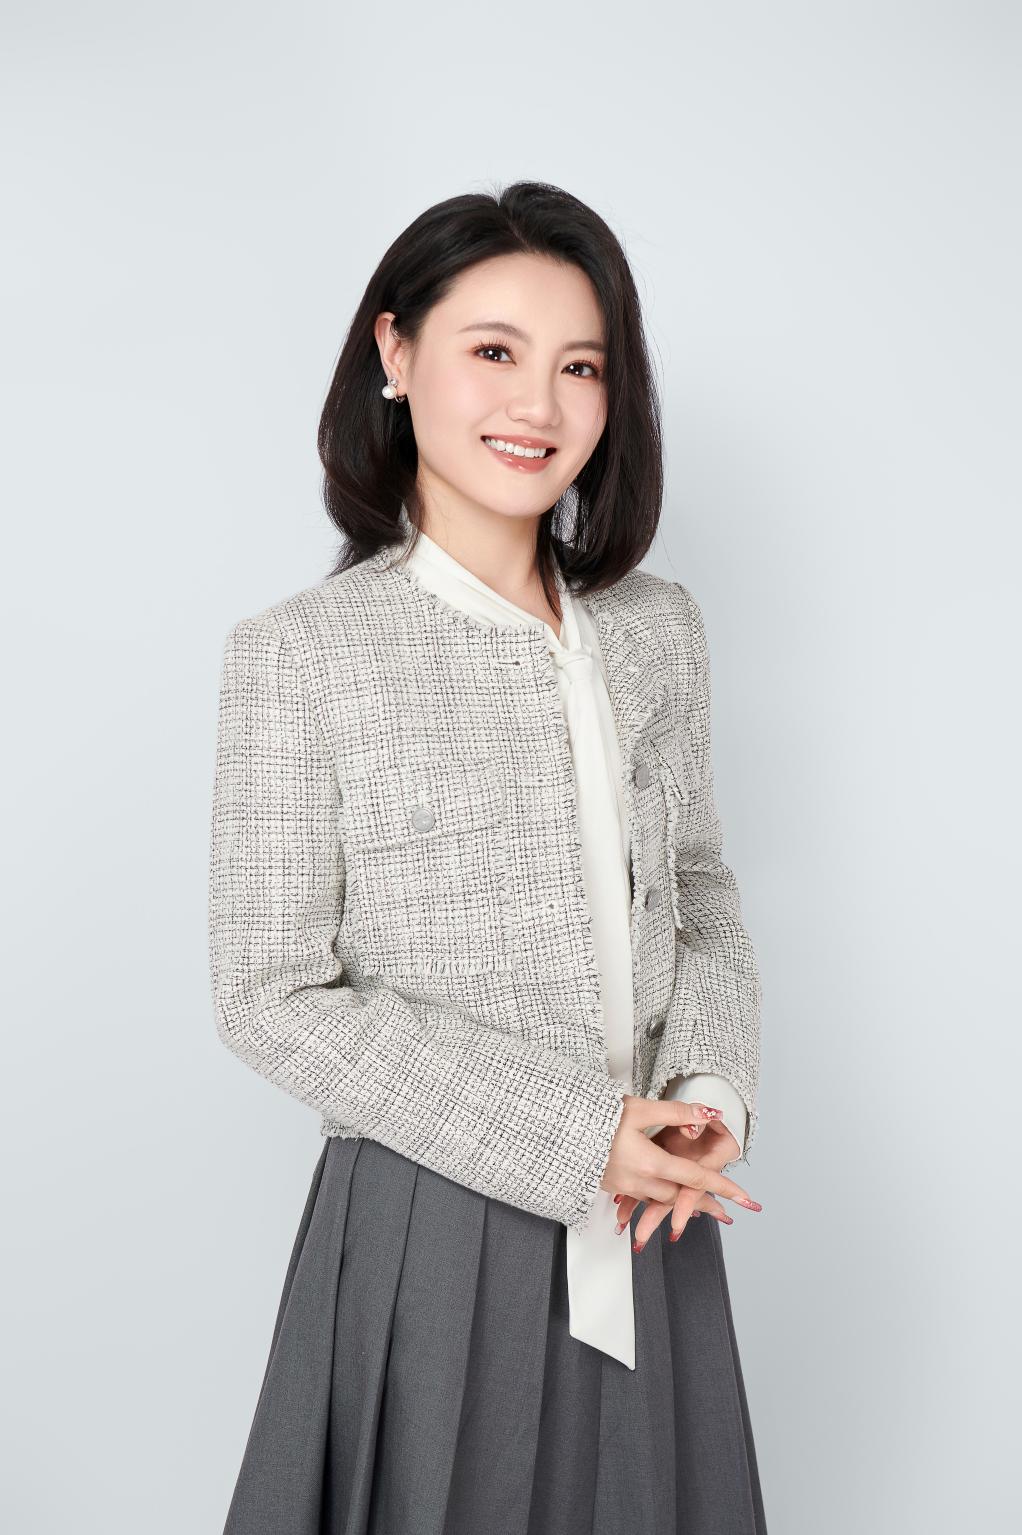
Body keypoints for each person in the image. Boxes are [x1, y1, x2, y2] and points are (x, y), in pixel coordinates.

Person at [209, 179, 767, 1533]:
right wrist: (576, 1136)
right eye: (495, 352)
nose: (540, 405)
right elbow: (269, 994)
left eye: (581, 366)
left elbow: (698, 892)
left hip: (656, 1216)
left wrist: (706, 1091)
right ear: (396, 355)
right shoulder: (304, 655)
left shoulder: (657, 630)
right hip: (433, 1226)